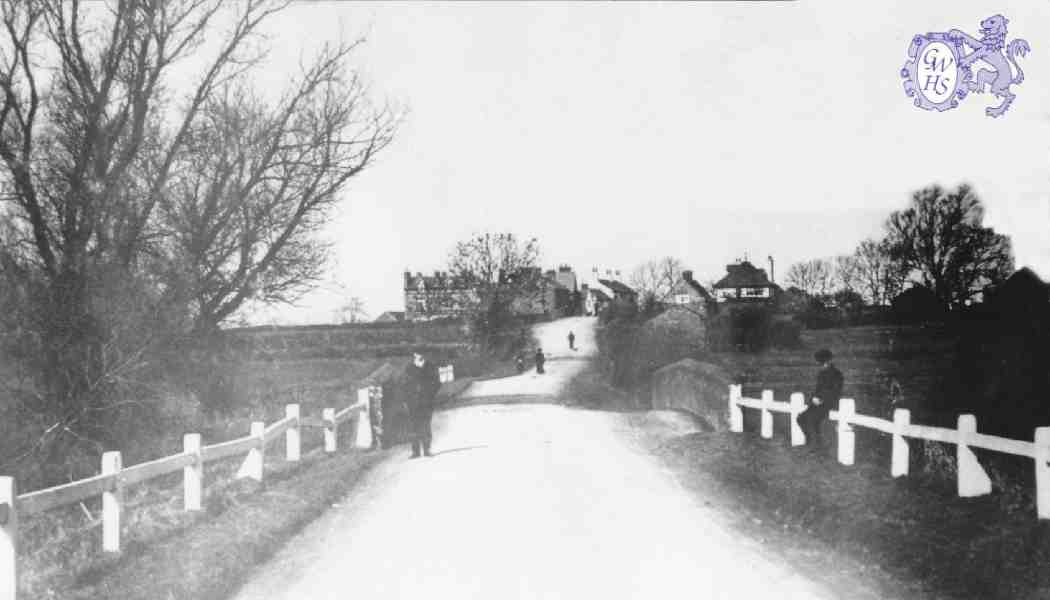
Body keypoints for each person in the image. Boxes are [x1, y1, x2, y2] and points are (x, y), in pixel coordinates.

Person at [796, 348, 843, 448]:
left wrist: (821, 400)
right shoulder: (821, 374)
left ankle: (816, 445)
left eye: (824, 362)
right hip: (817, 403)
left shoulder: (837, 374)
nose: (823, 365)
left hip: (829, 404)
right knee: (801, 418)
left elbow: (835, 392)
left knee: (811, 419)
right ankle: (810, 442)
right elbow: (817, 390)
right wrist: (813, 399)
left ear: (829, 361)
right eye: (821, 363)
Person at [403, 351, 440, 458]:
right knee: (413, 426)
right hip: (412, 402)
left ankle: (427, 449)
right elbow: (404, 385)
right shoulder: (409, 368)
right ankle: (415, 452)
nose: (421, 355)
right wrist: (407, 398)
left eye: (422, 353)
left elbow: (437, 382)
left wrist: (430, 394)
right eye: (418, 353)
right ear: (414, 354)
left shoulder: (430, 366)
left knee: (426, 424)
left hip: (426, 401)